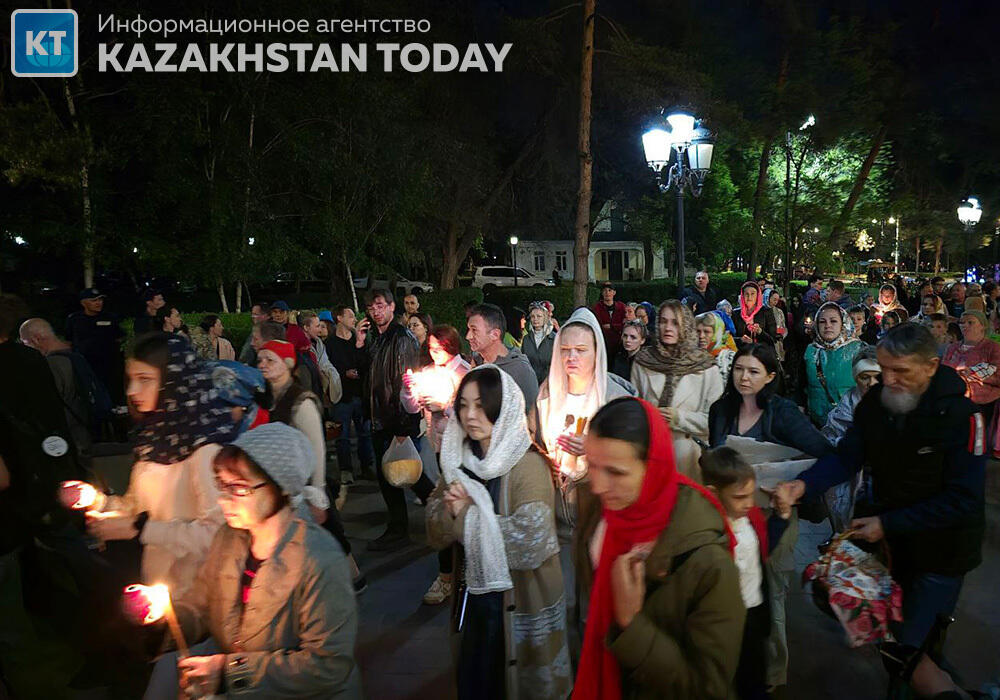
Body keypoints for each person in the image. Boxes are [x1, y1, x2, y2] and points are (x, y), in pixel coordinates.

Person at [774, 323, 986, 699]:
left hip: (941, 552)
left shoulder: (961, 416)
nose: (887, 380)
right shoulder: (876, 402)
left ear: (931, 367)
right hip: (889, 548)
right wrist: (804, 485)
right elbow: (847, 456)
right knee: (893, 640)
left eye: (900, 371)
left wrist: (887, 523)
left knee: (909, 649)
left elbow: (963, 501)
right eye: (884, 368)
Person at [139, 423, 362, 699]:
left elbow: (328, 665)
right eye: (222, 485)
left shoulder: (319, 558)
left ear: (280, 487)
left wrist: (229, 672)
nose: (223, 500)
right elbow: (203, 606)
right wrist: (163, 627)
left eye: (239, 488)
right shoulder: (229, 538)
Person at [572, 397, 743, 700]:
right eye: (592, 465)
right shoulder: (601, 511)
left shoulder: (707, 559)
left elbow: (708, 688)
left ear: (654, 466)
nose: (597, 485)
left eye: (616, 472)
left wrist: (632, 626)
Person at [426, 366, 572, 700]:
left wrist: (464, 515)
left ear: (504, 407)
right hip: (475, 601)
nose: (470, 415)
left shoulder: (528, 464)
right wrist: (451, 515)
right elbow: (433, 528)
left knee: (515, 683)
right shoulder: (458, 462)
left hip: (519, 600)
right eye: (464, 405)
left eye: (481, 405)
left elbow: (530, 542)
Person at [60, 333, 235, 598]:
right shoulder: (153, 441)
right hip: (160, 587)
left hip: (199, 595)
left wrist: (139, 529)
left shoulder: (206, 451)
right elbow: (138, 508)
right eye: (130, 379)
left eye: (144, 379)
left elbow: (219, 533)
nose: (132, 391)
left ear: (174, 381)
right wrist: (99, 503)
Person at [534, 308, 637, 654]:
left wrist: (593, 449)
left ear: (598, 351)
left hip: (600, 513)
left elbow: (635, 456)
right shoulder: (548, 394)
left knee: (594, 603)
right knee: (562, 597)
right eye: (565, 350)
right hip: (559, 511)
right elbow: (535, 442)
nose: (572, 358)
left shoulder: (616, 398)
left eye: (581, 350)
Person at [256, 339, 364, 590]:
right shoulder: (264, 398)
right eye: (260, 359)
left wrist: (317, 492)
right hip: (280, 485)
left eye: (270, 359)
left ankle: (354, 579)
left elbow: (317, 448)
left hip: (305, 482)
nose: (262, 364)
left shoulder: (301, 401)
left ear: (287, 363)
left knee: (331, 533)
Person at [700, 446, 792, 700]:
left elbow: (761, 550)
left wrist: (781, 516)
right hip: (723, 622)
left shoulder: (750, 517)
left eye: (751, 494)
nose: (749, 503)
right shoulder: (707, 533)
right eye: (740, 497)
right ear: (713, 493)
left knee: (753, 675)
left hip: (753, 615)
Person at [401, 325, 470, 605]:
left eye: (439, 348)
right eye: (431, 348)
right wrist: (410, 391)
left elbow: (471, 415)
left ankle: (452, 573)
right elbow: (412, 407)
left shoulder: (465, 372)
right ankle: (451, 572)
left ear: (452, 345)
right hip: (439, 448)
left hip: (462, 450)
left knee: (454, 509)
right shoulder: (429, 372)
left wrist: (445, 405)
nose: (435, 353)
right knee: (446, 508)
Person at [356, 289, 423, 550]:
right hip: (380, 418)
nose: (376, 312)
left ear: (392, 307)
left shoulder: (401, 338)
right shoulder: (379, 338)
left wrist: (403, 427)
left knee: (397, 477)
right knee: (399, 476)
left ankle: (399, 530)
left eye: (380, 306)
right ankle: (405, 525)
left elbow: (405, 384)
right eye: (371, 308)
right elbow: (367, 374)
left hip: (392, 420)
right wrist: (360, 343)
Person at [631, 300, 724, 481]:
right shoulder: (643, 362)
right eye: (663, 321)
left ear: (686, 326)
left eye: (675, 323)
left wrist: (679, 418)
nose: (668, 328)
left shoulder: (706, 367)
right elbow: (634, 410)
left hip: (689, 459)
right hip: (650, 455)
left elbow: (716, 421)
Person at [708, 343, 832, 457]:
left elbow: (825, 452)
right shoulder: (719, 409)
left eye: (753, 372)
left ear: (769, 377)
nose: (744, 377)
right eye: (738, 369)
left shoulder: (784, 412)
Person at [19, 318, 106, 453]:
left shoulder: (51, 364)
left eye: (25, 343)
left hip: (69, 439)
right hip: (87, 431)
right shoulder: (77, 356)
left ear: (36, 340)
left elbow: (48, 404)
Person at [326, 305, 374, 484]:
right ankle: (345, 470)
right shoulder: (330, 344)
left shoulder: (358, 339)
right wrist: (343, 373)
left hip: (360, 393)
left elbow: (367, 361)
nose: (354, 319)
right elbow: (326, 369)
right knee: (342, 435)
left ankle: (367, 466)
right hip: (342, 396)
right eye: (351, 316)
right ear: (339, 318)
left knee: (365, 433)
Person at [466, 304, 539, 411]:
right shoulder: (477, 362)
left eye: (474, 330)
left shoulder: (520, 371)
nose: (468, 337)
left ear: (495, 334)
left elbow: (531, 414)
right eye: (469, 329)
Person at [804, 302, 866, 427]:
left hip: (849, 421)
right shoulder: (811, 350)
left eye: (833, 321)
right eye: (822, 322)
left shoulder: (859, 349)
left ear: (843, 323)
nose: (827, 325)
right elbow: (802, 383)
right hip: (817, 421)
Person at [942, 310, 1000, 433]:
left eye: (970, 322)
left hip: (983, 403)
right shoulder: (952, 348)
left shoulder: (993, 348)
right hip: (953, 400)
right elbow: (944, 372)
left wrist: (974, 374)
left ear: (983, 326)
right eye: (962, 323)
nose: (964, 326)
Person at [65, 287, 124, 403]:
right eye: (94, 300)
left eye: (100, 299)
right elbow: (69, 341)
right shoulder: (74, 319)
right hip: (85, 365)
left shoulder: (110, 317)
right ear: (83, 303)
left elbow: (119, 338)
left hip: (109, 366)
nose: (98, 303)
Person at [821, 346, 881, 445]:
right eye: (864, 377)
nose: (872, 383)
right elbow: (831, 439)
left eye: (878, 377)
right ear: (856, 379)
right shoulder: (847, 405)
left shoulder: (897, 401)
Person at [299, 311, 342, 407]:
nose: (319, 330)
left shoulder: (319, 343)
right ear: (306, 328)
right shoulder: (299, 348)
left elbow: (325, 363)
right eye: (317, 326)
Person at [695, 311, 737, 385]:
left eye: (707, 332)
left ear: (717, 333)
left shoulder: (728, 358)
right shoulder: (690, 355)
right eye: (698, 331)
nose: (701, 336)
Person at [733, 281, 777, 349]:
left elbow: (772, 339)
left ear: (758, 295)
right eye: (746, 294)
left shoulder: (766, 312)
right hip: (742, 352)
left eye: (752, 294)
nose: (749, 297)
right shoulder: (736, 313)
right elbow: (728, 338)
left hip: (761, 352)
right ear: (742, 296)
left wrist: (760, 331)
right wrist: (740, 340)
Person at [522, 301, 557, 385]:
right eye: (533, 316)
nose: (535, 319)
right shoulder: (526, 339)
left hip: (549, 385)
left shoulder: (555, 339)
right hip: (530, 384)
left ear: (546, 317)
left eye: (539, 316)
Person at [592, 282, 627, 365]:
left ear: (614, 293)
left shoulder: (621, 307)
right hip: (603, 343)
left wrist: (612, 326)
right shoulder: (597, 308)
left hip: (619, 344)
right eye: (605, 291)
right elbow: (597, 325)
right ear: (602, 293)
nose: (607, 293)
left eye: (609, 290)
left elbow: (625, 324)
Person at [763, 289, 789, 363]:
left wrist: (779, 333)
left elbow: (783, 327)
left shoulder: (779, 312)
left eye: (777, 300)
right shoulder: (761, 311)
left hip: (777, 342)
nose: (775, 302)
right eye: (774, 299)